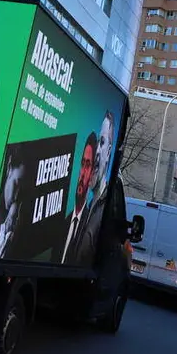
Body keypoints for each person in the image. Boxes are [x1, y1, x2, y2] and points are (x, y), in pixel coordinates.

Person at [64, 112, 117, 266]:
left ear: (108, 152)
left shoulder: (106, 208)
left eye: (102, 142)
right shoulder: (88, 206)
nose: (97, 152)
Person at [58, 133, 98, 264]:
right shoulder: (63, 223)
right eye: (82, 164)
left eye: (88, 165)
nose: (82, 173)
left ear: (92, 174)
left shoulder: (89, 227)